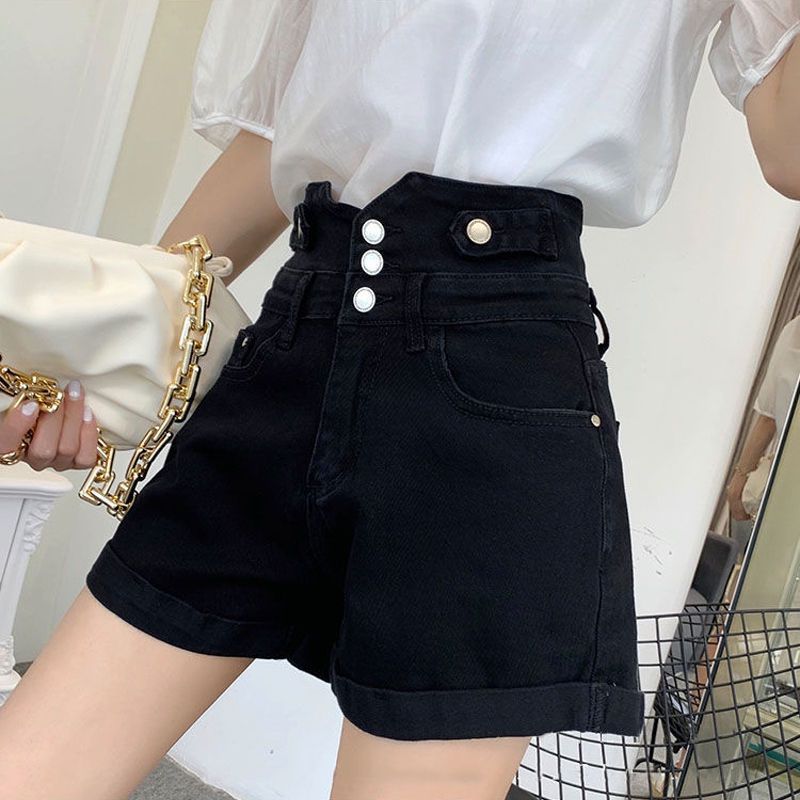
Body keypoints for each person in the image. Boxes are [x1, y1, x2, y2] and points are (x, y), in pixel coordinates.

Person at [1, 3, 799, 799]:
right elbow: (283, 127)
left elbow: (788, 152)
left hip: (494, 375)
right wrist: (110, 331)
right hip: (298, 333)